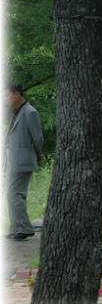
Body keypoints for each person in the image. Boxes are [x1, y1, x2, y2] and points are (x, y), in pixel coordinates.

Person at [4, 83, 44, 240]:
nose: (6, 99)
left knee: (14, 193)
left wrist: (39, 154)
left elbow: (37, 136)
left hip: (23, 160)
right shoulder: (17, 112)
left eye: (8, 95)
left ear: (18, 94)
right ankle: (16, 227)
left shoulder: (30, 112)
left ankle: (25, 227)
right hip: (13, 160)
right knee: (12, 193)